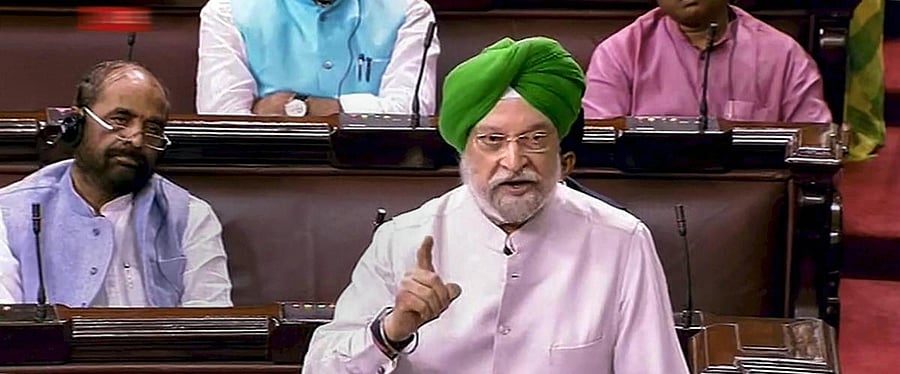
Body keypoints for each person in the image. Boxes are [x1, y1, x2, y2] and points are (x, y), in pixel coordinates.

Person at [303, 37, 688, 373]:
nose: (514, 159)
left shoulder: (621, 241)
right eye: (491, 140)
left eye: (535, 139)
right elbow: (323, 367)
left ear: (563, 160)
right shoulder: (401, 240)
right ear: (463, 157)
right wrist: (391, 331)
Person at [0, 61, 232, 308]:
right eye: (120, 120)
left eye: (152, 128)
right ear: (76, 123)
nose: (136, 138)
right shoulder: (9, 212)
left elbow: (210, 328)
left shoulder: (191, 216)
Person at [583, 0, 832, 123]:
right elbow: (598, 144)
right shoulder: (619, 53)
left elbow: (814, 143)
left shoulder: (784, 55)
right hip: (646, 199)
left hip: (749, 204)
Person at [196, 0, 439, 117]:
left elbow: (413, 110)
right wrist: (365, 108)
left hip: (376, 162)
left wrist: (301, 107)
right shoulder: (226, 11)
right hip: (268, 162)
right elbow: (221, 116)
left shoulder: (409, 10)